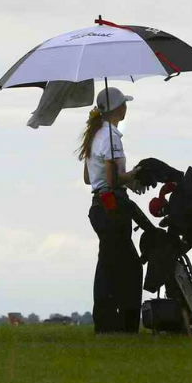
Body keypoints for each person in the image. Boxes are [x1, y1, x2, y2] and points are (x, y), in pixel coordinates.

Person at [79, 88, 145, 333]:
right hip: (112, 208)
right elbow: (113, 178)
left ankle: (107, 324)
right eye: (124, 104)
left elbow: (89, 178)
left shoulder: (95, 135)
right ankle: (123, 326)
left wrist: (124, 178)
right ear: (119, 108)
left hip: (99, 206)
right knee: (129, 268)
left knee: (108, 264)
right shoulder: (111, 136)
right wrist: (134, 176)